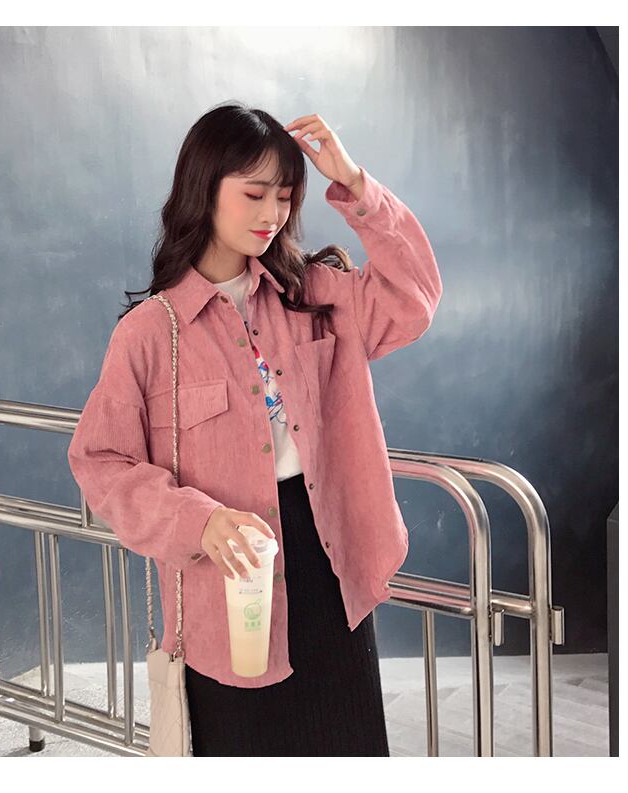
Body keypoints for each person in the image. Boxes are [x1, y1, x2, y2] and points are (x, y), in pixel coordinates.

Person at [67, 102, 443, 756]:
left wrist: (355, 184)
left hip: (330, 559)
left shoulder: (316, 295)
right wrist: (198, 522)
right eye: (254, 193)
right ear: (204, 188)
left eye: (286, 195)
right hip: (226, 576)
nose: (273, 212)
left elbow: (414, 298)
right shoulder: (152, 335)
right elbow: (101, 461)